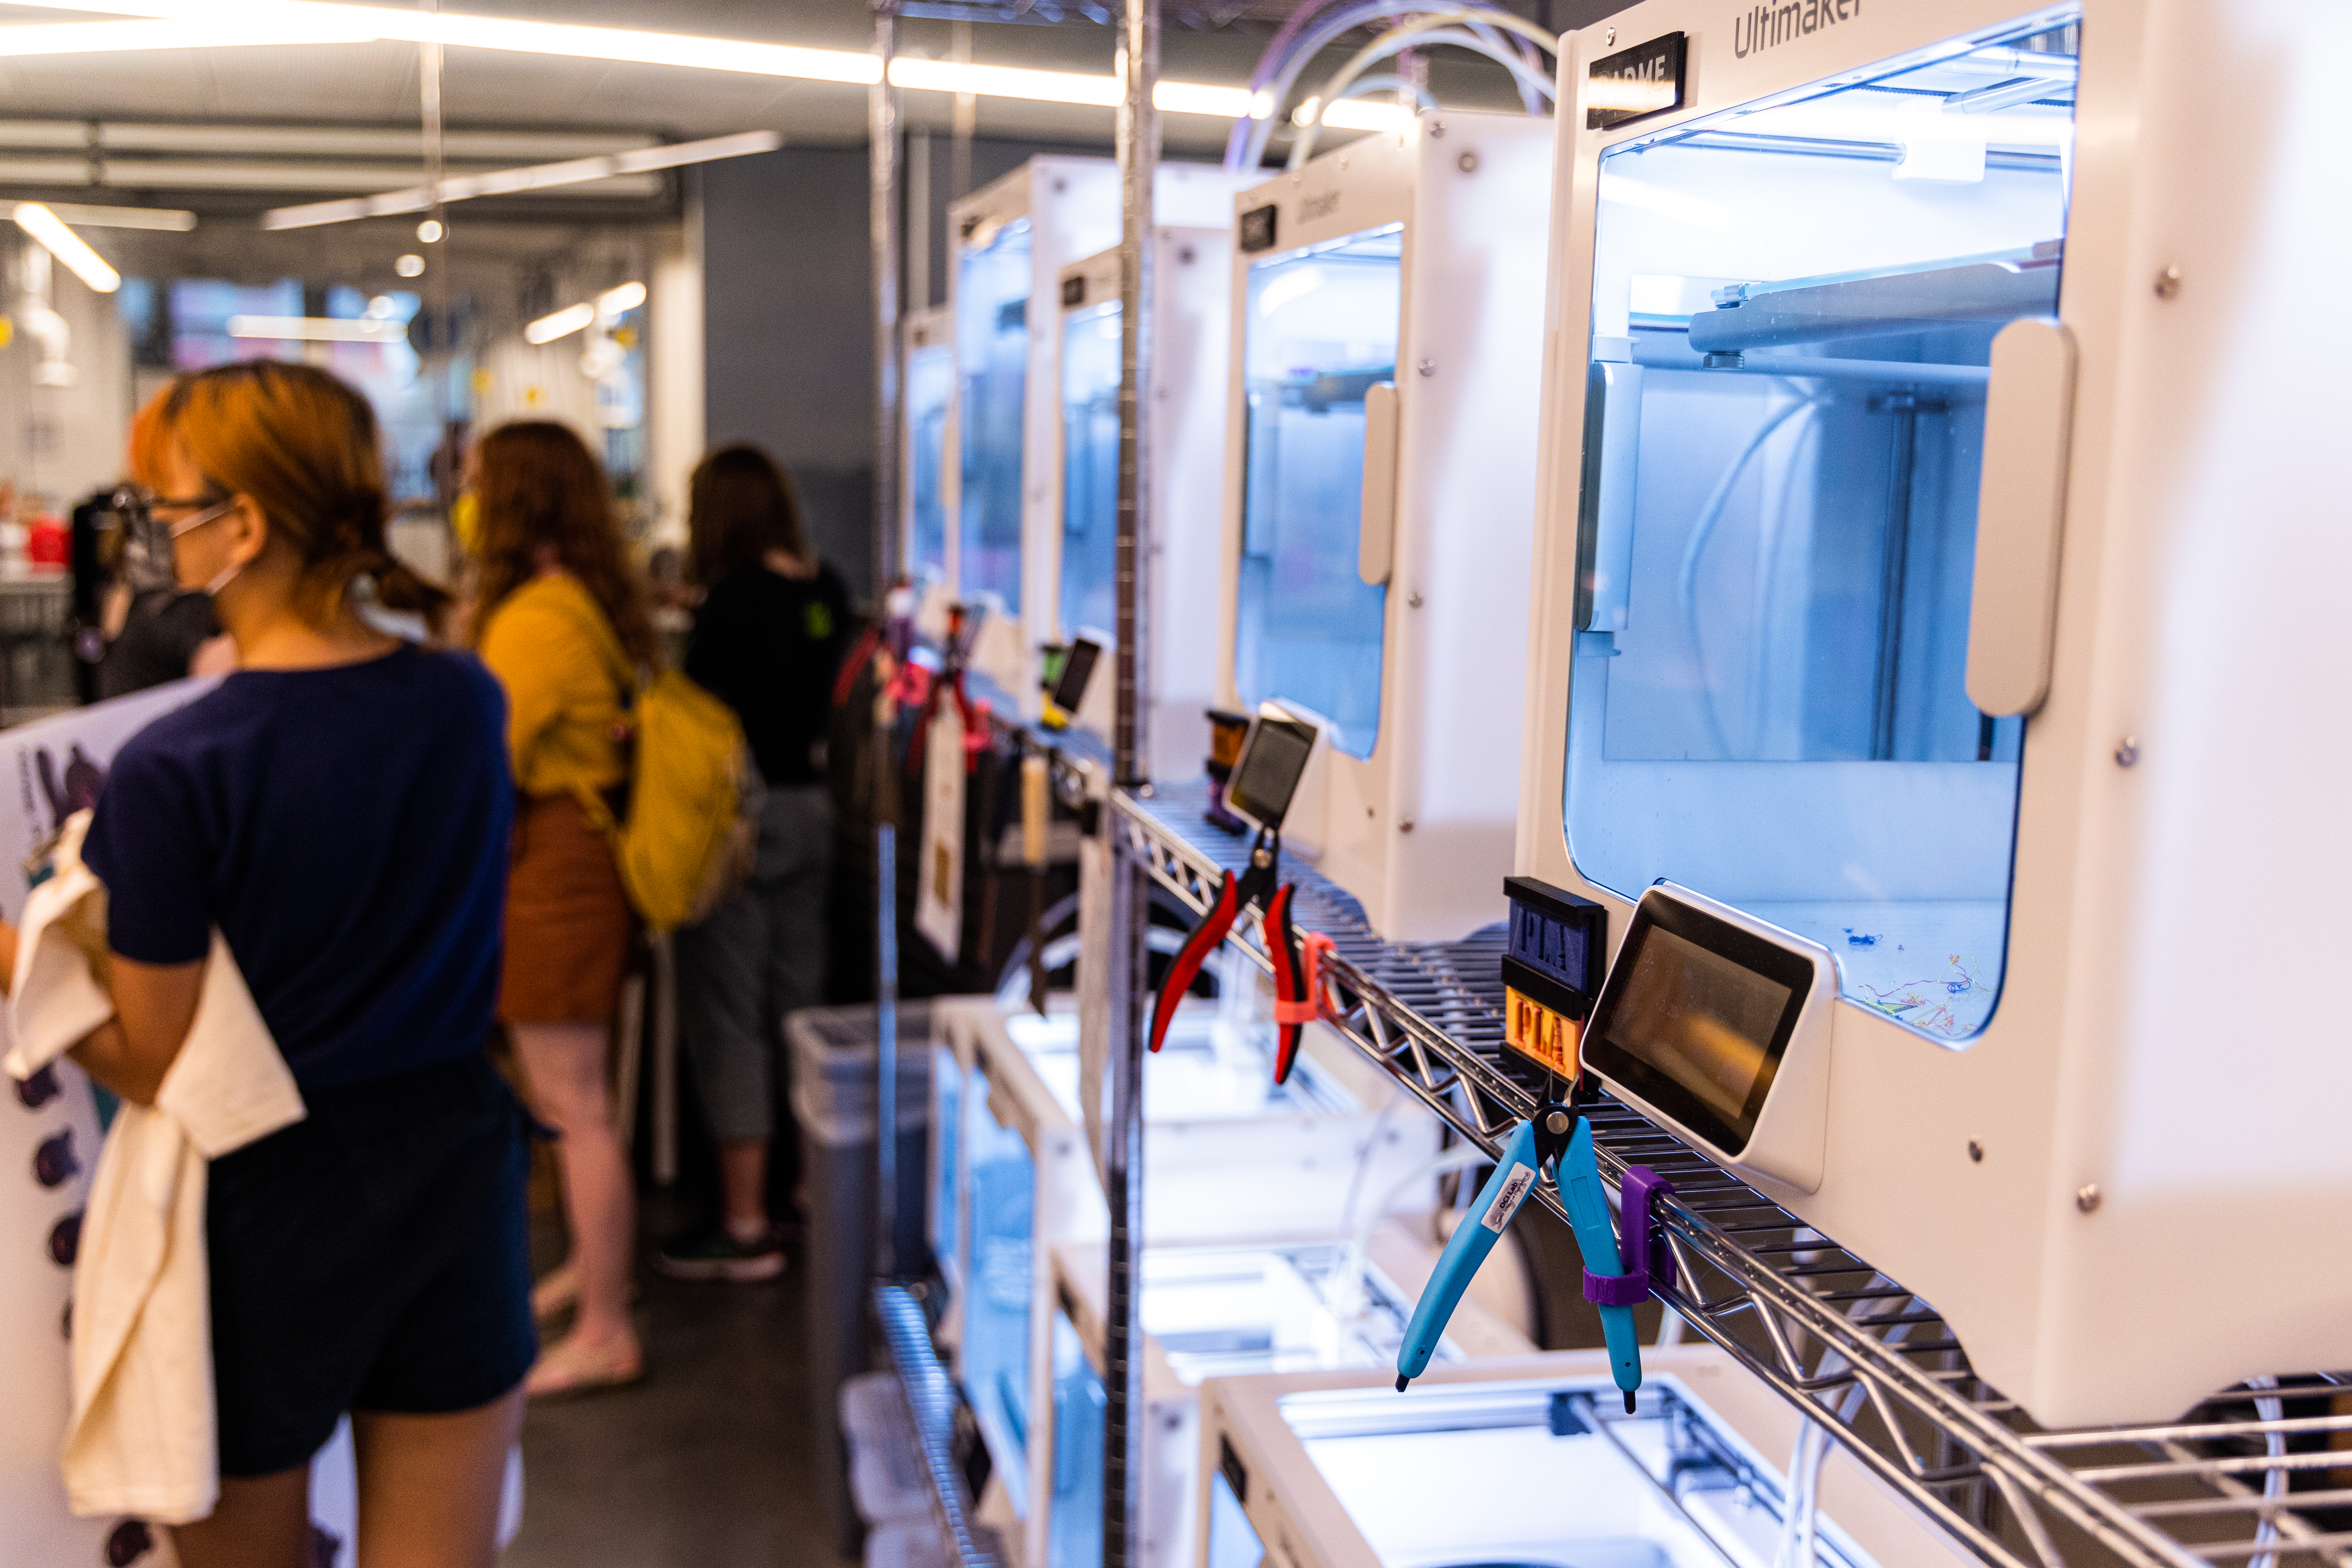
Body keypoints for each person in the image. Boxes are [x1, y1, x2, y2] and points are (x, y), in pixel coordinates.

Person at [8, 361, 531, 1567]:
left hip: (268, 1214)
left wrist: (20, 953)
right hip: (458, 1169)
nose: (144, 530)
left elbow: (154, 1059)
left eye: (164, 501)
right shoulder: (462, 699)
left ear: (241, 527)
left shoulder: (179, 769)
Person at [469, 420, 651, 1393]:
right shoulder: (574, 600)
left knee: (574, 1108)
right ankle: (594, 1267)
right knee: (577, 1102)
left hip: (554, 871)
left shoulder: (533, 620)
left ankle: (607, 1329)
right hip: (573, 865)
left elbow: (485, 760)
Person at [657, 444, 854, 1280]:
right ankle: (811, 1191)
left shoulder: (732, 599)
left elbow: (700, 703)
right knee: (799, 1008)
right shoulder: (827, 586)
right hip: (815, 810)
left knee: (732, 1014)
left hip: (742, 824)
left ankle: (743, 1223)